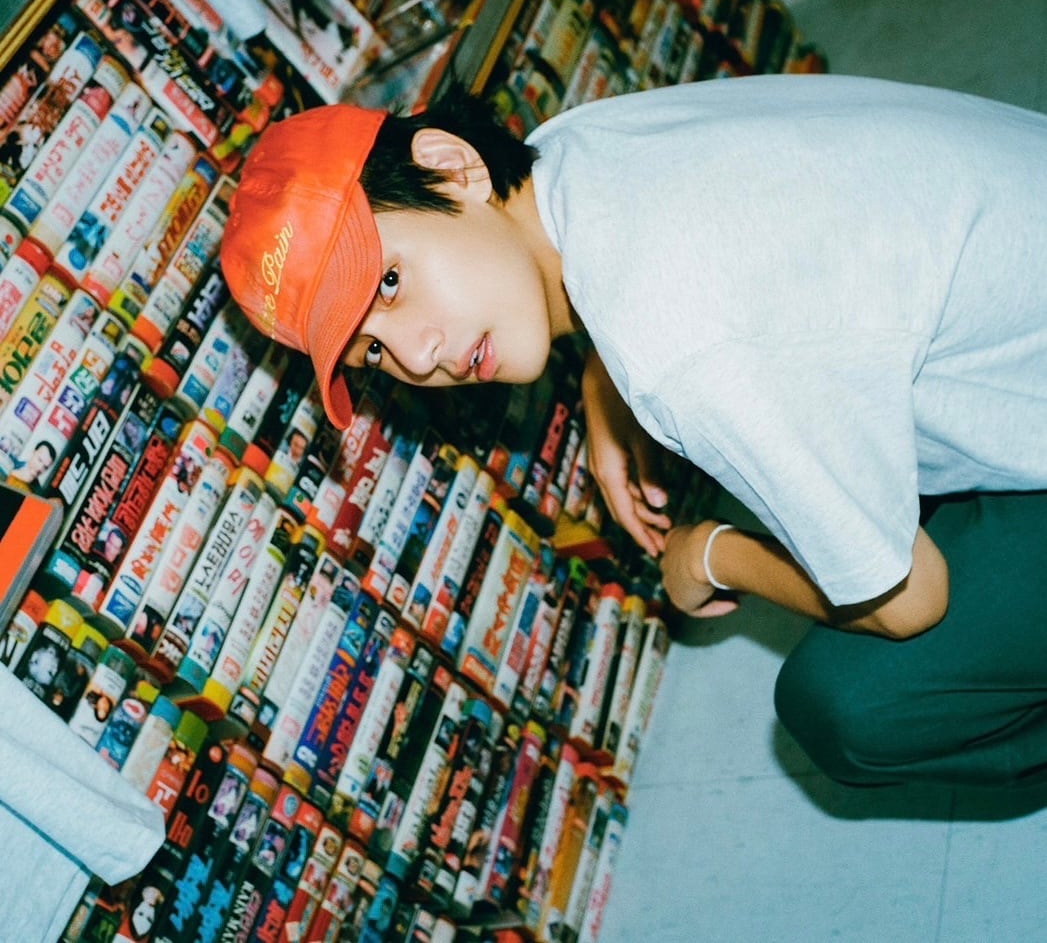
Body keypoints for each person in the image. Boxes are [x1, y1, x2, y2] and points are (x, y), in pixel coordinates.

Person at [220, 75, 1047, 789]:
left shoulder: (683, 354)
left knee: (846, 704)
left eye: (391, 282)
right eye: (370, 349)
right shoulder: (572, 146)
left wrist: (709, 553)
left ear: (449, 166)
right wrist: (601, 375)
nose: (416, 353)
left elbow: (907, 601)